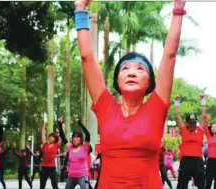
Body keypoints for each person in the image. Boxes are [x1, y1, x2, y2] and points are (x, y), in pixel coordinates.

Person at [75, 0, 185, 186]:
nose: (132, 72)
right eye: (125, 69)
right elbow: (87, 57)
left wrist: (178, 9)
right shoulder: (105, 107)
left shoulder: (156, 108)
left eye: (140, 69)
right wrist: (80, 9)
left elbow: (169, 55)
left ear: (150, 82)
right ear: (117, 80)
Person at [174, 95, 205, 189]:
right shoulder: (183, 130)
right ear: (187, 123)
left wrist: (203, 101)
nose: (192, 124)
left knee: (201, 186)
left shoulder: (200, 130)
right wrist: (177, 102)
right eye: (190, 122)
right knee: (181, 186)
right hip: (185, 161)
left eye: (194, 122)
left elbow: (203, 115)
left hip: (197, 161)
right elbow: (177, 115)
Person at [58, 117, 91, 189]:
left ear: (81, 139)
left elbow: (88, 135)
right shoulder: (70, 147)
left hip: (82, 176)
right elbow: (62, 136)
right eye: (73, 137)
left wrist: (80, 124)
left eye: (77, 137)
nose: (74, 139)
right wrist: (60, 124)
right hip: (71, 176)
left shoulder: (85, 147)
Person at [40, 122, 62, 189]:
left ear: (55, 139)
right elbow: (43, 134)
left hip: (52, 168)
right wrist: (44, 126)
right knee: (42, 186)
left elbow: (61, 137)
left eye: (53, 137)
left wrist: (62, 127)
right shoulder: (45, 144)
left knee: (55, 186)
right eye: (50, 136)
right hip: (44, 168)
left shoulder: (56, 145)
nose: (50, 138)